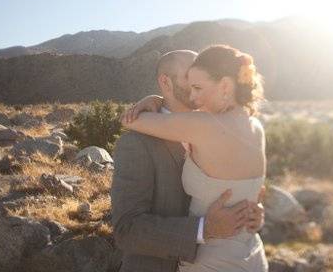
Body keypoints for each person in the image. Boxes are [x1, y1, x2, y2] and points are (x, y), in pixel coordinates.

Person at [110, 49, 265, 272]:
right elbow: (126, 229)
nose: (195, 83)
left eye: (199, 81)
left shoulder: (223, 126)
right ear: (166, 82)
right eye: (188, 78)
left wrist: (251, 213)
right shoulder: (137, 144)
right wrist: (204, 228)